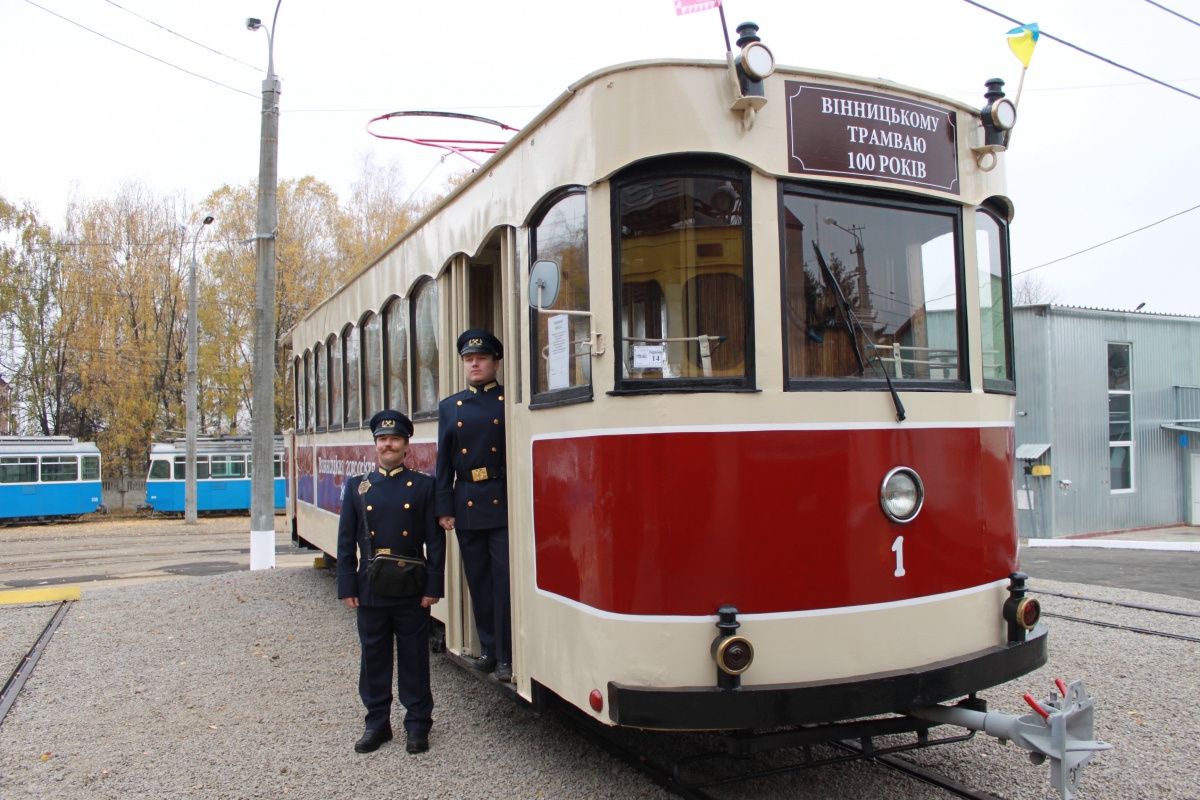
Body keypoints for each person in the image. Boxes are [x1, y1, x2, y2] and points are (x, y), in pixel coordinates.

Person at [337, 409, 445, 754]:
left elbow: (435, 541)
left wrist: (433, 586)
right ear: (375, 445)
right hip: (371, 584)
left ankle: (417, 725)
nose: (388, 444)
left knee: (414, 658)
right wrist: (347, 585)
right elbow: (345, 541)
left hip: (411, 585)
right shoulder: (358, 487)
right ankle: (377, 724)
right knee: (374, 658)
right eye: (382, 439)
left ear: (406, 445)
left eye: (395, 439)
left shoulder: (424, 485)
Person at [435, 328, 512, 682]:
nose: (475, 364)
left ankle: (509, 654)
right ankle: (490, 649)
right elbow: (444, 464)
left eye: (481, 358)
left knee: (504, 580)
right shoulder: (450, 408)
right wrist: (444, 507)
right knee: (478, 581)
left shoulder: (508, 402)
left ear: (496, 363)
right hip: (467, 501)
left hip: (502, 498)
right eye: (468, 359)